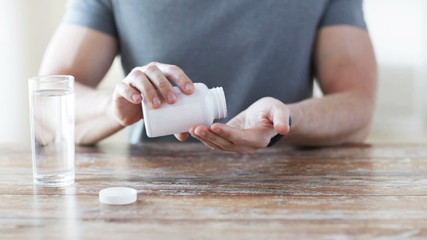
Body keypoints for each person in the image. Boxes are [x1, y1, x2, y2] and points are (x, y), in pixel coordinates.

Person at [39, 0, 377, 154]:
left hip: (285, 188)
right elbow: (46, 108)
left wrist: (286, 120)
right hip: (155, 198)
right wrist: (114, 108)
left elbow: (358, 107)